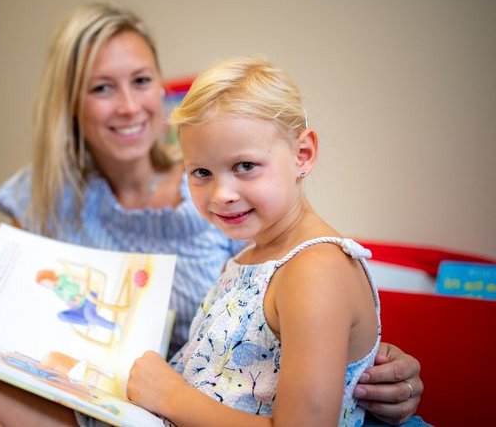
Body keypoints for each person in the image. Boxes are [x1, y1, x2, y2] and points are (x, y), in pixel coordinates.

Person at [0, 3, 423, 425]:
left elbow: (299, 327)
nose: (128, 106)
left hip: (169, 403)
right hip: (116, 393)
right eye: (101, 88)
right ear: (70, 103)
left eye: (140, 81)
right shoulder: (46, 195)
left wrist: (371, 365)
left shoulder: (265, 236)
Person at [123, 57, 381, 424]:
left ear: (302, 155)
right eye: (201, 172)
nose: (221, 194)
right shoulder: (252, 256)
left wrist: (171, 396)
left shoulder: (315, 270)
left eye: (244, 166)